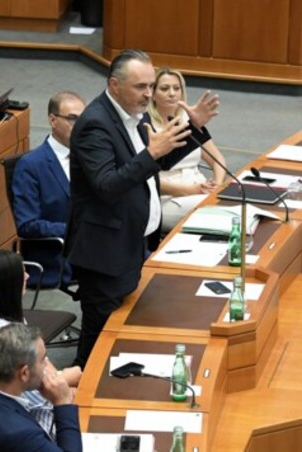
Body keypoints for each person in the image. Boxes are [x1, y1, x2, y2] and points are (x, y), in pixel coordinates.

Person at [66, 49, 220, 368]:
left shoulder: (136, 117)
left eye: (151, 86)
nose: (148, 94)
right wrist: (151, 155)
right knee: (97, 344)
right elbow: (107, 185)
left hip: (130, 244)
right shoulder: (95, 124)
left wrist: (193, 126)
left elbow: (157, 161)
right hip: (104, 253)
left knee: (117, 337)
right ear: (114, 84)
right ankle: (74, 405)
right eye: (141, 87)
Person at [0, 324, 81, 452]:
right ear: (24, 373)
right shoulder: (21, 434)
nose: (46, 365)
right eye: (43, 359)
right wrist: (63, 403)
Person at [0, 250, 82, 384]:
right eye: (21, 274)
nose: (27, 276)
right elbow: (33, 394)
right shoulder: (6, 336)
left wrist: (58, 377)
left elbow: (40, 361)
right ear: (7, 286)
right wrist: (66, 379)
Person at [12, 91, 86, 288]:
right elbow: (27, 225)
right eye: (72, 119)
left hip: (92, 245)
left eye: (83, 119)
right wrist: (74, 230)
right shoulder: (30, 165)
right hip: (59, 257)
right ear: (53, 120)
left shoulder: (89, 157)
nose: (79, 126)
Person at [148, 67, 227, 232]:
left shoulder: (189, 119)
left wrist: (217, 185)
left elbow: (217, 159)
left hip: (199, 188)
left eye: (176, 88)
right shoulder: (146, 125)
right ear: (153, 93)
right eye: (164, 88)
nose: (172, 93)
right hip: (167, 198)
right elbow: (147, 178)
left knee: (234, 203)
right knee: (219, 214)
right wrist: (191, 190)